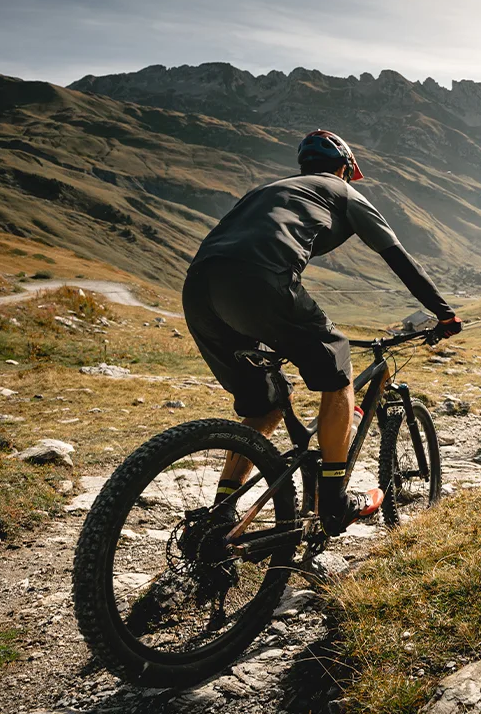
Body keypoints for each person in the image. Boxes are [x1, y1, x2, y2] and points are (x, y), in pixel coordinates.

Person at [182, 129, 462, 534]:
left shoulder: (270, 190)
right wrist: (444, 313)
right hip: (262, 280)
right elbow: (397, 257)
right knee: (337, 368)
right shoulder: (343, 192)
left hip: (199, 289)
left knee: (265, 405)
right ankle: (335, 500)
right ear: (345, 168)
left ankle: (222, 514)